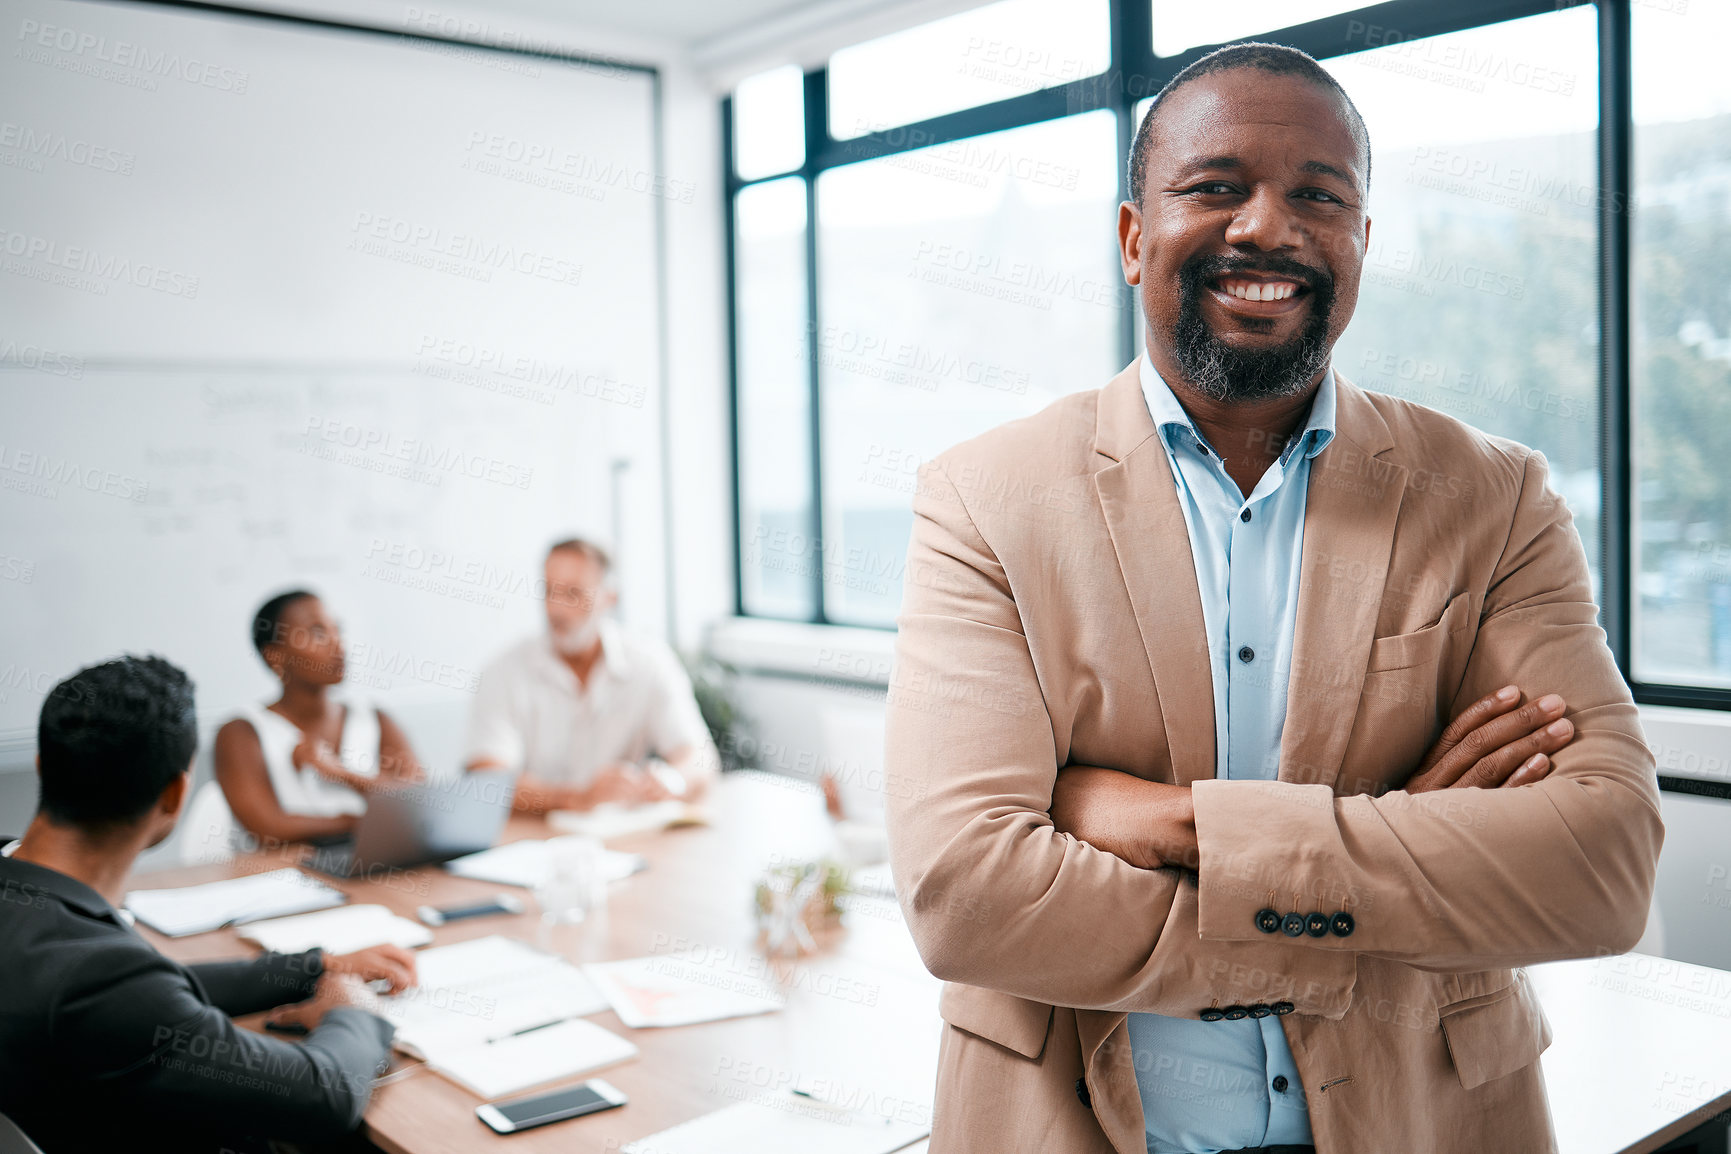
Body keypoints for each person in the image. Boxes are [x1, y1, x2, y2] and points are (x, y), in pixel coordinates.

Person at [883, 43, 1662, 1154]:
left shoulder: (1493, 497)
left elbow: (1603, 864)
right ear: (1131, 236)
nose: (1266, 227)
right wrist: (1398, 846)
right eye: (1215, 187)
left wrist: (1159, 820)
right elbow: (967, 892)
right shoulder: (985, 498)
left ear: (1361, 242)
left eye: (1318, 195)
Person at [0, 655, 416, 1154]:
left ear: (45, 765)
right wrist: (355, 1013)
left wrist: (312, 968)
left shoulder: (44, 919)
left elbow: (156, 989)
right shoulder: (99, 977)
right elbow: (322, 1096)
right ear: (176, 793)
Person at [466, 537, 718, 813]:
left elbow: (700, 757)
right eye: (549, 591)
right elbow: (487, 781)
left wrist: (673, 781)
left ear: (610, 597)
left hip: (621, 836)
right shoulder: (504, 672)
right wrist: (575, 798)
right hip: (530, 838)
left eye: (573, 593)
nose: (555, 609)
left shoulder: (649, 662)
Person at [213, 590, 424, 846]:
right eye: (318, 632)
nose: (338, 644)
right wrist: (366, 817)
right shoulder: (242, 732)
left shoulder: (375, 718)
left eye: (338, 630)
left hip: (376, 869)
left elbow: (419, 805)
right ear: (274, 656)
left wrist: (338, 772)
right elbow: (268, 828)